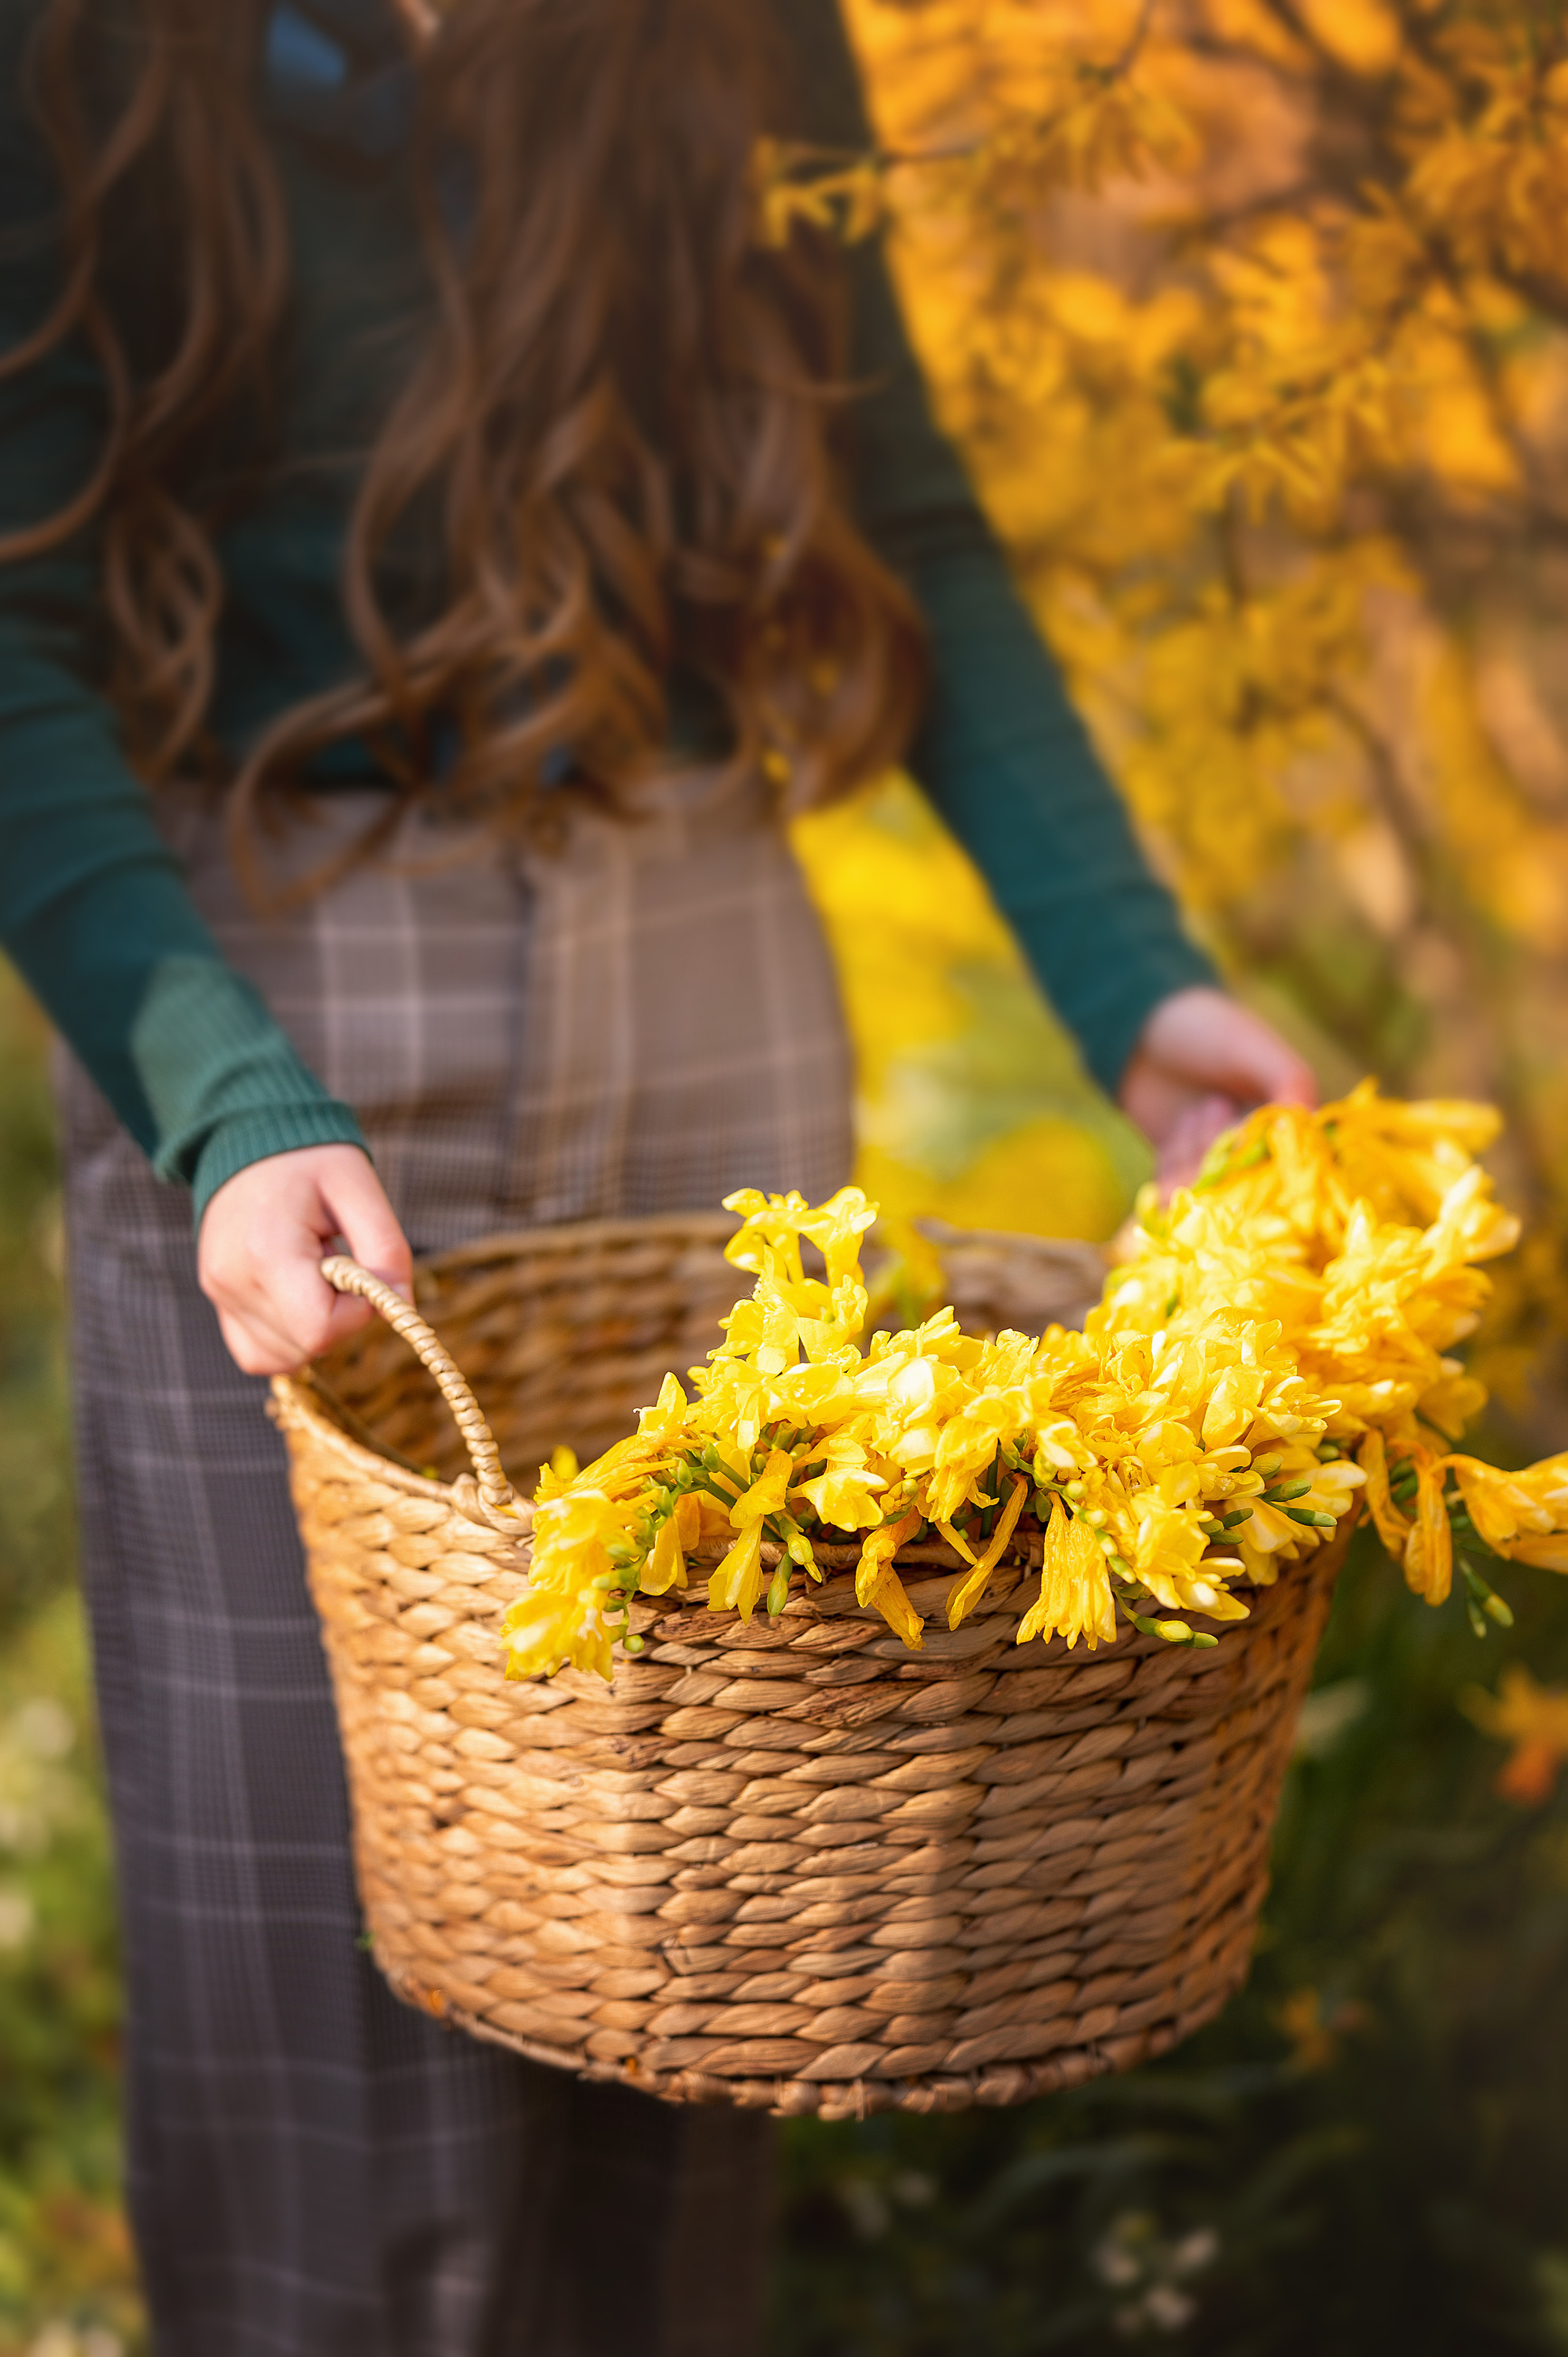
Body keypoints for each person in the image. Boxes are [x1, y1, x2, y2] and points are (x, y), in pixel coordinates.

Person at [0, 0, 1315, 2350]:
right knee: (331, 2004)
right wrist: (220, 1095)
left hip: (711, 960)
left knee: (713, 1933)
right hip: (284, 1010)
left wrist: (1133, 977)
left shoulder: (723, 32)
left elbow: (894, 501)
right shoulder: (82, 55)